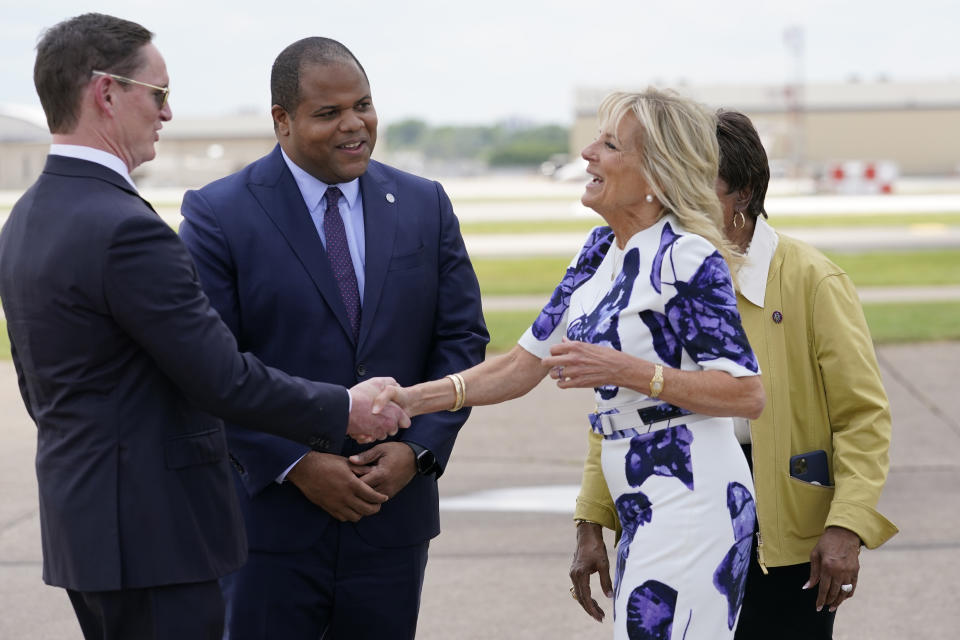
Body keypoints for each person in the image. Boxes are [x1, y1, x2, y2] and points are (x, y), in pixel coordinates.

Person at [0, 14, 409, 640]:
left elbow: (38, 389)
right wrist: (343, 407)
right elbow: (220, 377)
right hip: (155, 534)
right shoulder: (124, 227)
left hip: (84, 526)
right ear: (107, 93)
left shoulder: (30, 215)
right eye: (158, 94)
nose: (166, 114)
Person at [373, 89, 766, 640]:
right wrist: (414, 399)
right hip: (640, 501)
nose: (587, 153)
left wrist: (625, 370)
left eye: (609, 144)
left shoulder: (688, 257)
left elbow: (746, 393)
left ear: (656, 172)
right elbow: (520, 365)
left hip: (692, 496)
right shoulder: (597, 251)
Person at [178, 37, 488, 639]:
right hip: (270, 526)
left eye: (364, 105)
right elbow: (206, 367)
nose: (355, 126)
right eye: (329, 113)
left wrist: (416, 451)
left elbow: (461, 341)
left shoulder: (425, 203)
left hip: (391, 516)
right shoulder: (219, 214)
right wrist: (295, 464)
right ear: (282, 120)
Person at [570, 109, 898, 640]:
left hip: (785, 534)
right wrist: (591, 521)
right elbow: (618, 404)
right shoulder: (649, 271)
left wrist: (847, 525)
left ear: (741, 195)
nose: (677, 203)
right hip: (671, 511)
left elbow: (862, 418)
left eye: (696, 187)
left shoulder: (813, 279)